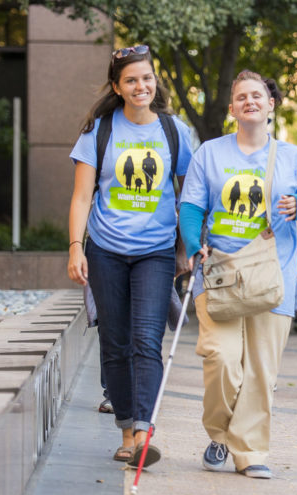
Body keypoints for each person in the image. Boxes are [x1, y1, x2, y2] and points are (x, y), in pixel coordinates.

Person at [178, 70, 297, 479]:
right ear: (231, 109)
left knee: (262, 371)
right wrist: (194, 244)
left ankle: (250, 451)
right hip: (220, 272)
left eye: (257, 95)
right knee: (222, 360)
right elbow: (191, 207)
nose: (249, 101)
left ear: (271, 104)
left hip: (271, 276)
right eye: (241, 96)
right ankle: (219, 434)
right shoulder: (210, 153)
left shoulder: (293, 157)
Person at [67, 44, 193, 466]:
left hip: (155, 254)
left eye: (147, 78)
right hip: (104, 251)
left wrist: (188, 247)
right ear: (118, 87)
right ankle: (126, 430)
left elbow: (191, 197)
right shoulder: (99, 131)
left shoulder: (174, 131)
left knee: (146, 340)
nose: (141, 86)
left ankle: (143, 432)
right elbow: (82, 196)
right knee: (115, 342)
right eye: (131, 80)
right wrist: (74, 247)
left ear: (155, 82)